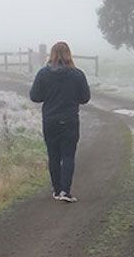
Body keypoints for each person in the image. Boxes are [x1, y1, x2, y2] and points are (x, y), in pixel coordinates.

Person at [29, 42, 91, 202]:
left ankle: (56, 190)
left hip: (50, 120)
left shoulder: (43, 74)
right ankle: (65, 191)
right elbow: (85, 98)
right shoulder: (77, 74)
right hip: (70, 120)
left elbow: (35, 96)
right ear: (69, 54)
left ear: (52, 55)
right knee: (68, 155)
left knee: (53, 156)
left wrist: (49, 95)